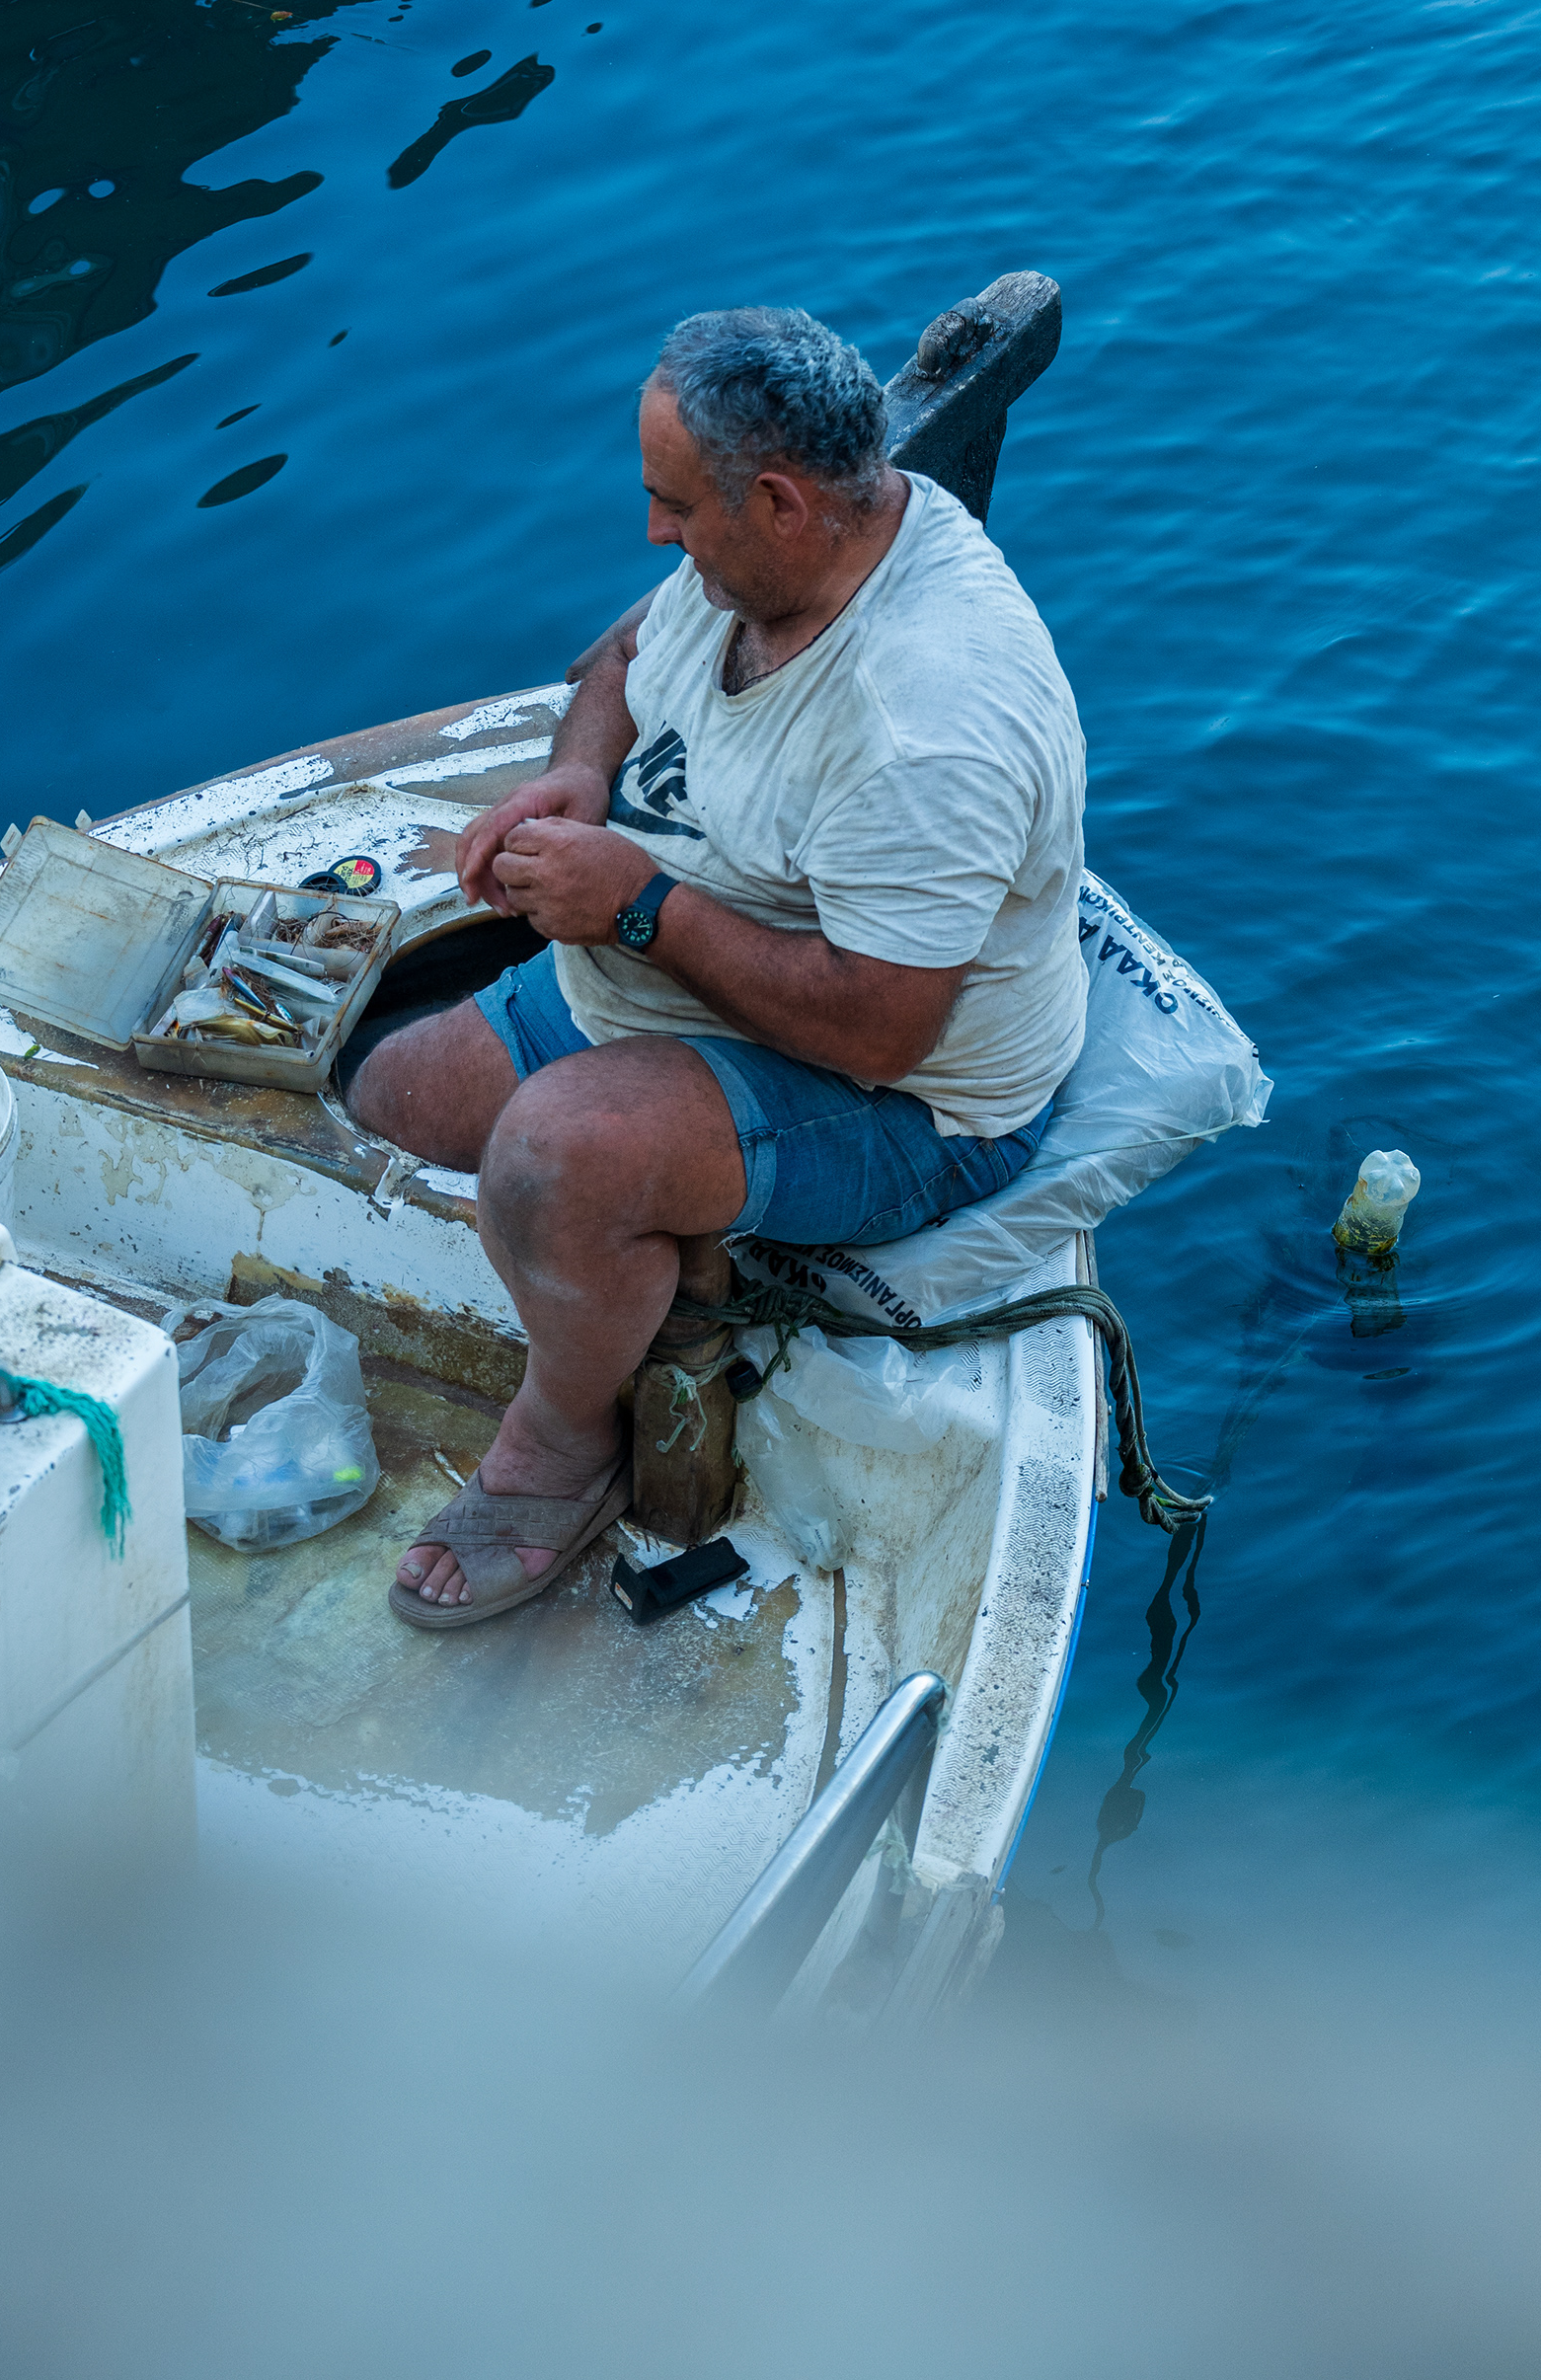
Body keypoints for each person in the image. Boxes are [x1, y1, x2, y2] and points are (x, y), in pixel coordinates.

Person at [350, 305, 1089, 1626]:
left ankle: (566, 1444)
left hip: (908, 1100)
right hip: (687, 955)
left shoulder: (927, 722)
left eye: (676, 505)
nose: (654, 532)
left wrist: (638, 909)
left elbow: (881, 1032)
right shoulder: (755, 564)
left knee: (551, 1159)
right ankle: (665, 1235)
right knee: (395, 1098)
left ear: (781, 502)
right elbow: (616, 662)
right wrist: (578, 781)